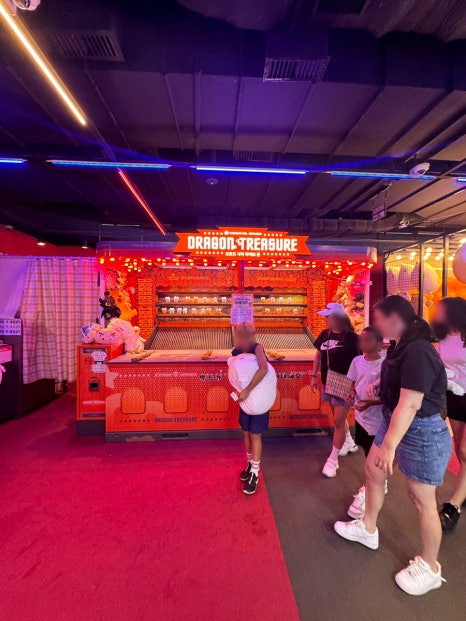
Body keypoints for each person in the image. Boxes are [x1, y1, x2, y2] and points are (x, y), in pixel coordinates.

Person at [334, 295, 451, 596]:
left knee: (421, 498)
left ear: (394, 319)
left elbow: (411, 404)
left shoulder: (418, 350)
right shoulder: (400, 345)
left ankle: (430, 567)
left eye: (378, 318)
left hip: (421, 429)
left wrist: (388, 446)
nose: (374, 324)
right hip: (396, 419)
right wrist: (380, 386)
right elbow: (400, 388)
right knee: (373, 472)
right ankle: (368, 527)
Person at [311, 303, 360, 478]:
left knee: (338, 422)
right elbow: (318, 356)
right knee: (337, 417)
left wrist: (355, 385)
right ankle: (349, 442)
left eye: (328, 316)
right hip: (328, 381)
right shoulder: (325, 334)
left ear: (338, 318)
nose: (325, 319)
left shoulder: (353, 338)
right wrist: (313, 376)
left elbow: (359, 362)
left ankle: (332, 461)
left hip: (345, 383)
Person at [432, 297, 466, 532]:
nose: (437, 312)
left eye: (441, 310)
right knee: (459, 449)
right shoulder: (441, 336)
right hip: (453, 395)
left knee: (465, 450)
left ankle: (454, 506)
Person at [345, 326, 385, 519]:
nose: (363, 343)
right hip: (361, 415)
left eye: (368, 340)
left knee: (373, 453)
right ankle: (377, 479)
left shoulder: (385, 365)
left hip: (377, 418)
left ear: (379, 344)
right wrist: (351, 393)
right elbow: (353, 383)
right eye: (361, 339)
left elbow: (389, 394)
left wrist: (371, 403)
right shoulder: (357, 361)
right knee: (365, 449)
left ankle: (374, 483)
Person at [231, 322, 270, 495]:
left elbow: (263, 369)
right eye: (241, 335)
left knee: (255, 435)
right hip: (246, 401)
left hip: (258, 400)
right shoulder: (237, 351)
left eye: (247, 335)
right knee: (246, 432)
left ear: (253, 335)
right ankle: (249, 463)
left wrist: (247, 390)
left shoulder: (257, 348)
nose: (244, 339)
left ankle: (255, 471)